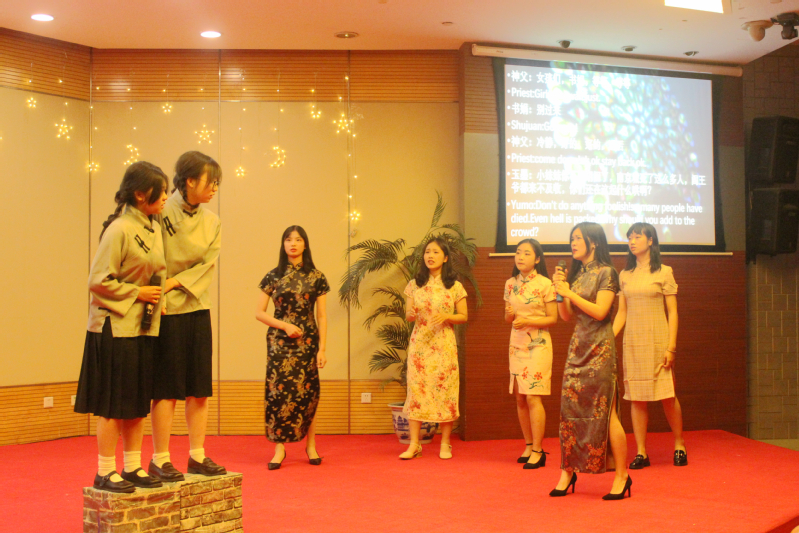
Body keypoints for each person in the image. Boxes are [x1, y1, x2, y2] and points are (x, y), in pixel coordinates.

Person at [74, 161, 169, 493]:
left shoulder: (153, 227)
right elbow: (97, 281)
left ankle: (132, 466)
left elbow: (157, 272)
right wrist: (137, 293)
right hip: (114, 327)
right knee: (113, 402)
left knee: (137, 400)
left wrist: (156, 299)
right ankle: (104, 471)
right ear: (140, 194)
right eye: (161, 191)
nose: (166, 197)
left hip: (142, 326)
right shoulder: (119, 229)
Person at [149, 151, 225, 482]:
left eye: (218, 183)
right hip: (166, 309)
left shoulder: (213, 221)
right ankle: (160, 459)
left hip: (197, 306)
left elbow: (207, 266)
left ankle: (197, 455)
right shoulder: (160, 211)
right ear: (190, 181)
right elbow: (150, 257)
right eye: (211, 182)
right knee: (166, 388)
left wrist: (174, 282)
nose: (215, 189)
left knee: (199, 388)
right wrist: (163, 288)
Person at [551, 222, 631, 500]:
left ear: (593, 242)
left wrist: (570, 293)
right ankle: (567, 471)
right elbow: (565, 316)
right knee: (569, 411)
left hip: (600, 350)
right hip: (577, 349)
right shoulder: (577, 275)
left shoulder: (607, 272)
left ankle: (622, 476)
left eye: (578, 238)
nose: (572, 243)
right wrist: (560, 292)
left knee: (606, 414)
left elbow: (601, 312)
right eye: (571, 238)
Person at [256, 226, 329, 470]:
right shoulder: (273, 275)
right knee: (278, 393)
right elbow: (259, 313)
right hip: (279, 342)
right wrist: (284, 326)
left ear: (305, 244)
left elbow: (322, 316)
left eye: (298, 239)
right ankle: (279, 448)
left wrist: (322, 349)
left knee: (309, 392)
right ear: (283, 244)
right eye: (288, 239)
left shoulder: (317, 276)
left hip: (307, 342)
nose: (293, 243)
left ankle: (311, 446)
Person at [613, 222, 685, 468]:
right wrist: (608, 337)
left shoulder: (664, 271)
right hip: (633, 342)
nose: (632, 241)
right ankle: (641, 452)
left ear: (651, 240)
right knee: (636, 398)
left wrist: (671, 347)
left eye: (637, 237)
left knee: (667, 395)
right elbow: (622, 313)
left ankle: (679, 444)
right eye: (629, 238)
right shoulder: (625, 275)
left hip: (658, 341)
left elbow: (672, 312)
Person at [400, 237, 468, 460]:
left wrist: (447, 315)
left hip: (444, 345)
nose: (430, 256)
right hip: (420, 346)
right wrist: (410, 314)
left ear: (445, 258)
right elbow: (409, 314)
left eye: (436, 252)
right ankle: (414, 444)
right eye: (427, 252)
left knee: (446, 391)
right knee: (416, 392)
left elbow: (463, 316)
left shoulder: (454, 286)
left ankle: (445, 443)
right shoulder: (414, 284)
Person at [503, 239, 557, 469]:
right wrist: (510, 314)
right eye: (518, 252)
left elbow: (553, 318)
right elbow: (508, 319)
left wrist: (529, 321)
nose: (520, 257)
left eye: (526, 253)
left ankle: (538, 449)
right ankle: (527, 445)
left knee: (533, 396)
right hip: (517, 344)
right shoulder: (510, 283)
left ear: (537, 259)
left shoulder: (545, 283)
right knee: (520, 397)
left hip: (538, 344)